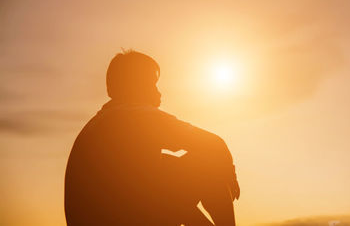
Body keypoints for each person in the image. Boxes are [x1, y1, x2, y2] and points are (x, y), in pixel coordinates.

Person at [64, 50, 240, 225]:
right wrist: (229, 173)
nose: (159, 93)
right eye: (152, 84)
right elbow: (215, 144)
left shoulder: (99, 125)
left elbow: (167, 193)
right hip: (127, 217)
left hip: (117, 213)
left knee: (169, 176)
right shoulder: (136, 116)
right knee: (208, 164)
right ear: (136, 86)